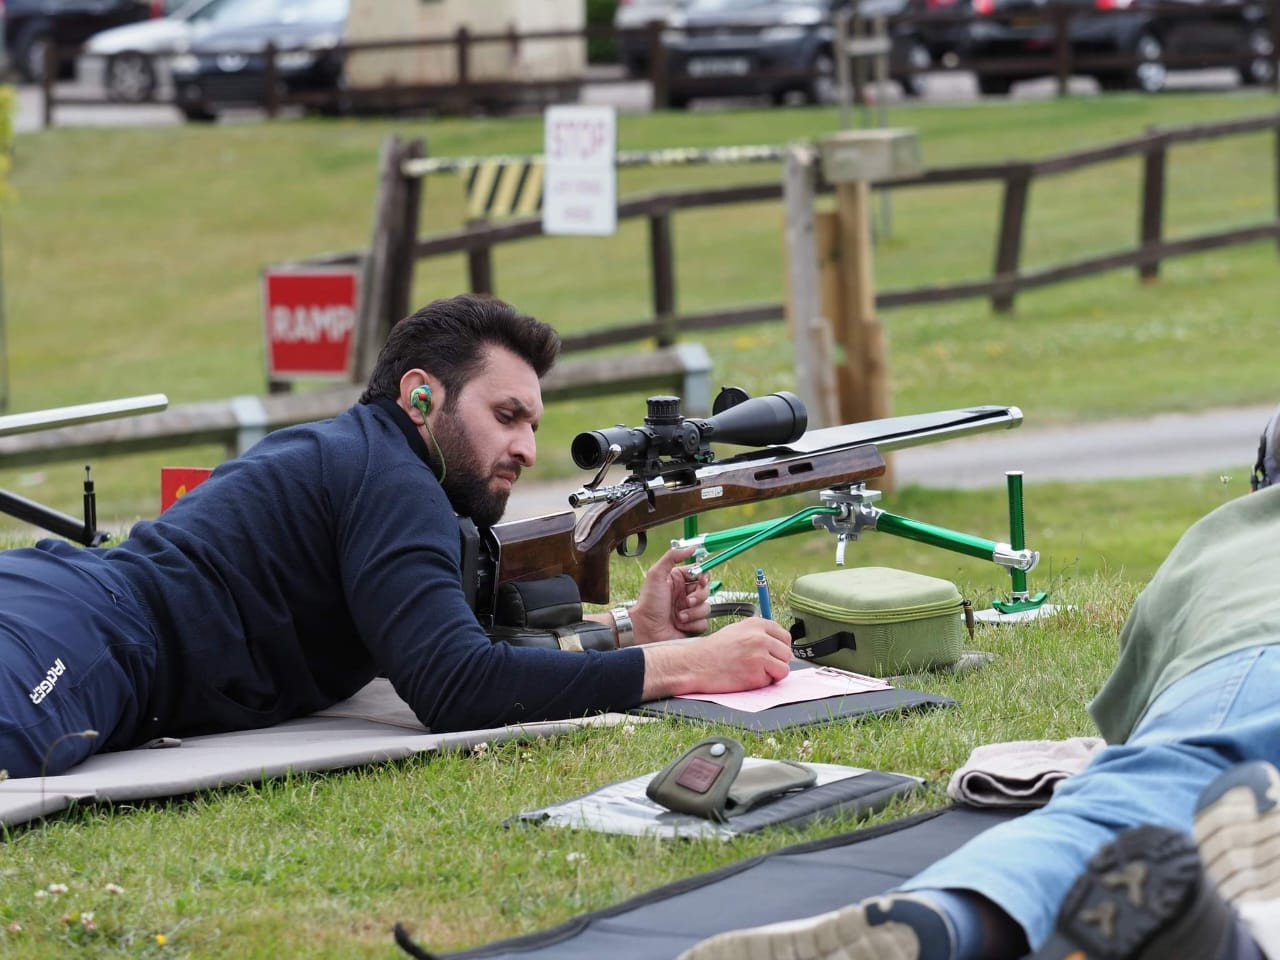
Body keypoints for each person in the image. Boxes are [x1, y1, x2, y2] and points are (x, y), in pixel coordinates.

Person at [0, 294, 793, 779]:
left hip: (77, 610)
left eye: (534, 424)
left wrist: (625, 633)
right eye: (506, 416)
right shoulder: (390, 476)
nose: (525, 447)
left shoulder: (373, 461)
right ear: (422, 398)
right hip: (90, 628)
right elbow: (456, 687)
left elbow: (446, 643)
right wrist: (684, 664)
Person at [679, 481, 1280, 960]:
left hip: (1241, 664)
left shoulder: (1225, 535)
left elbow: (1130, 725)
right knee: (1163, 787)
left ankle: (958, 910)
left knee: (1128, 800)